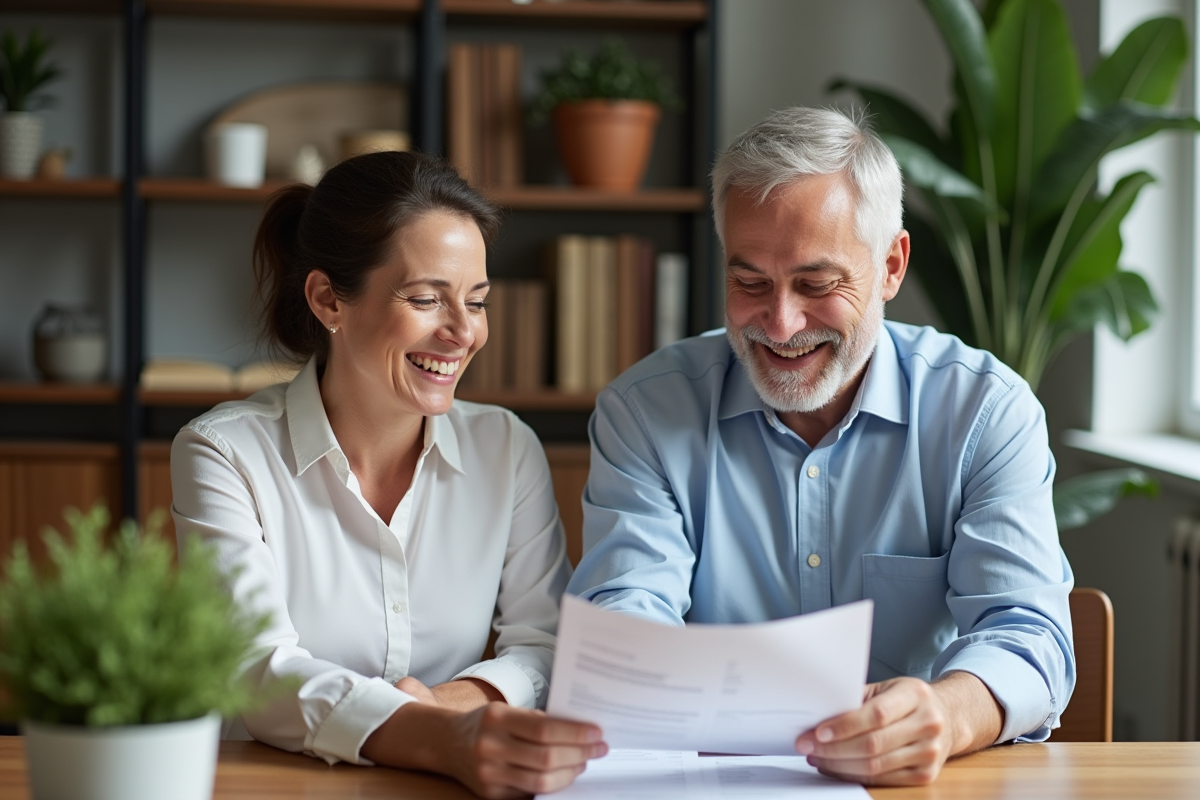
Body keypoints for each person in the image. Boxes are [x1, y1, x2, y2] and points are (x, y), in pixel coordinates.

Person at [566, 107, 1075, 787]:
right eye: (750, 282)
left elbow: (1027, 633)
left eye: (817, 283)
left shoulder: (985, 412)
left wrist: (945, 715)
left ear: (891, 266)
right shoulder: (645, 412)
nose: (780, 323)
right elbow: (627, 632)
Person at [171, 151, 606, 798]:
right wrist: (440, 736)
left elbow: (543, 643)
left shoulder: (506, 447)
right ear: (328, 300)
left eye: (478, 302)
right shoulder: (224, 453)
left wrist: (451, 705)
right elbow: (257, 671)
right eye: (427, 299)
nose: (463, 333)